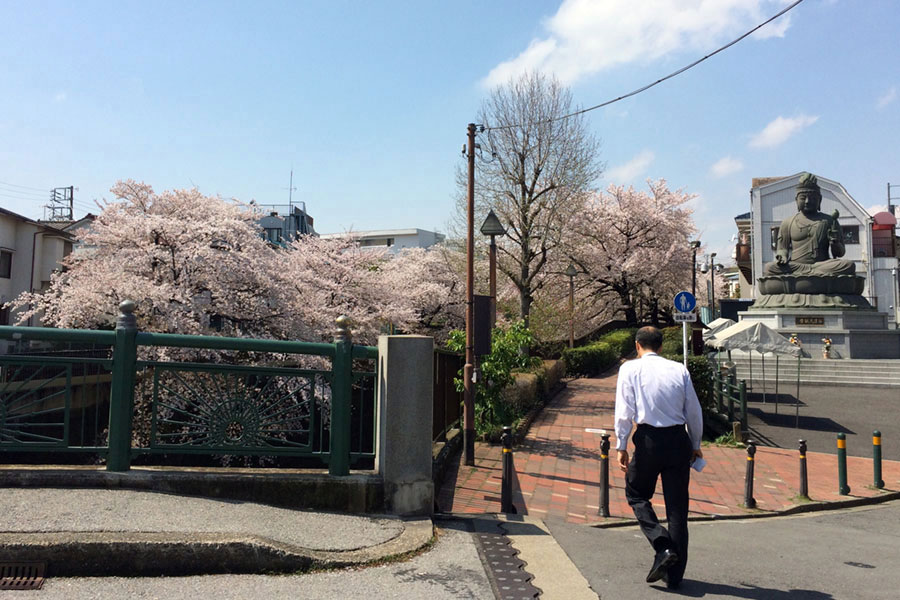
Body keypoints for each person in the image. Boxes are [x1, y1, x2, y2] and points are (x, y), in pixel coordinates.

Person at [614, 326, 703, 590]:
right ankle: (674, 576)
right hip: (678, 440)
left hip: (649, 440)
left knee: (637, 494)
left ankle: (662, 544)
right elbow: (694, 411)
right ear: (661, 347)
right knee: (677, 508)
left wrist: (621, 444)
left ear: (637, 345)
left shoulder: (630, 369)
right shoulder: (679, 370)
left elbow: (624, 410)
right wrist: (695, 443)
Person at [763, 172, 855, 277]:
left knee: (848, 265)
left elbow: (840, 253)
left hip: (822, 264)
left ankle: (808, 276)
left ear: (819, 200)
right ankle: (814, 276)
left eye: (812, 198)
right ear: (796, 200)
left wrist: (835, 242)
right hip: (796, 266)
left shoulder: (830, 221)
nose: (807, 201)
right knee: (769, 268)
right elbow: (782, 248)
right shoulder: (788, 222)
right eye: (803, 198)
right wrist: (782, 255)